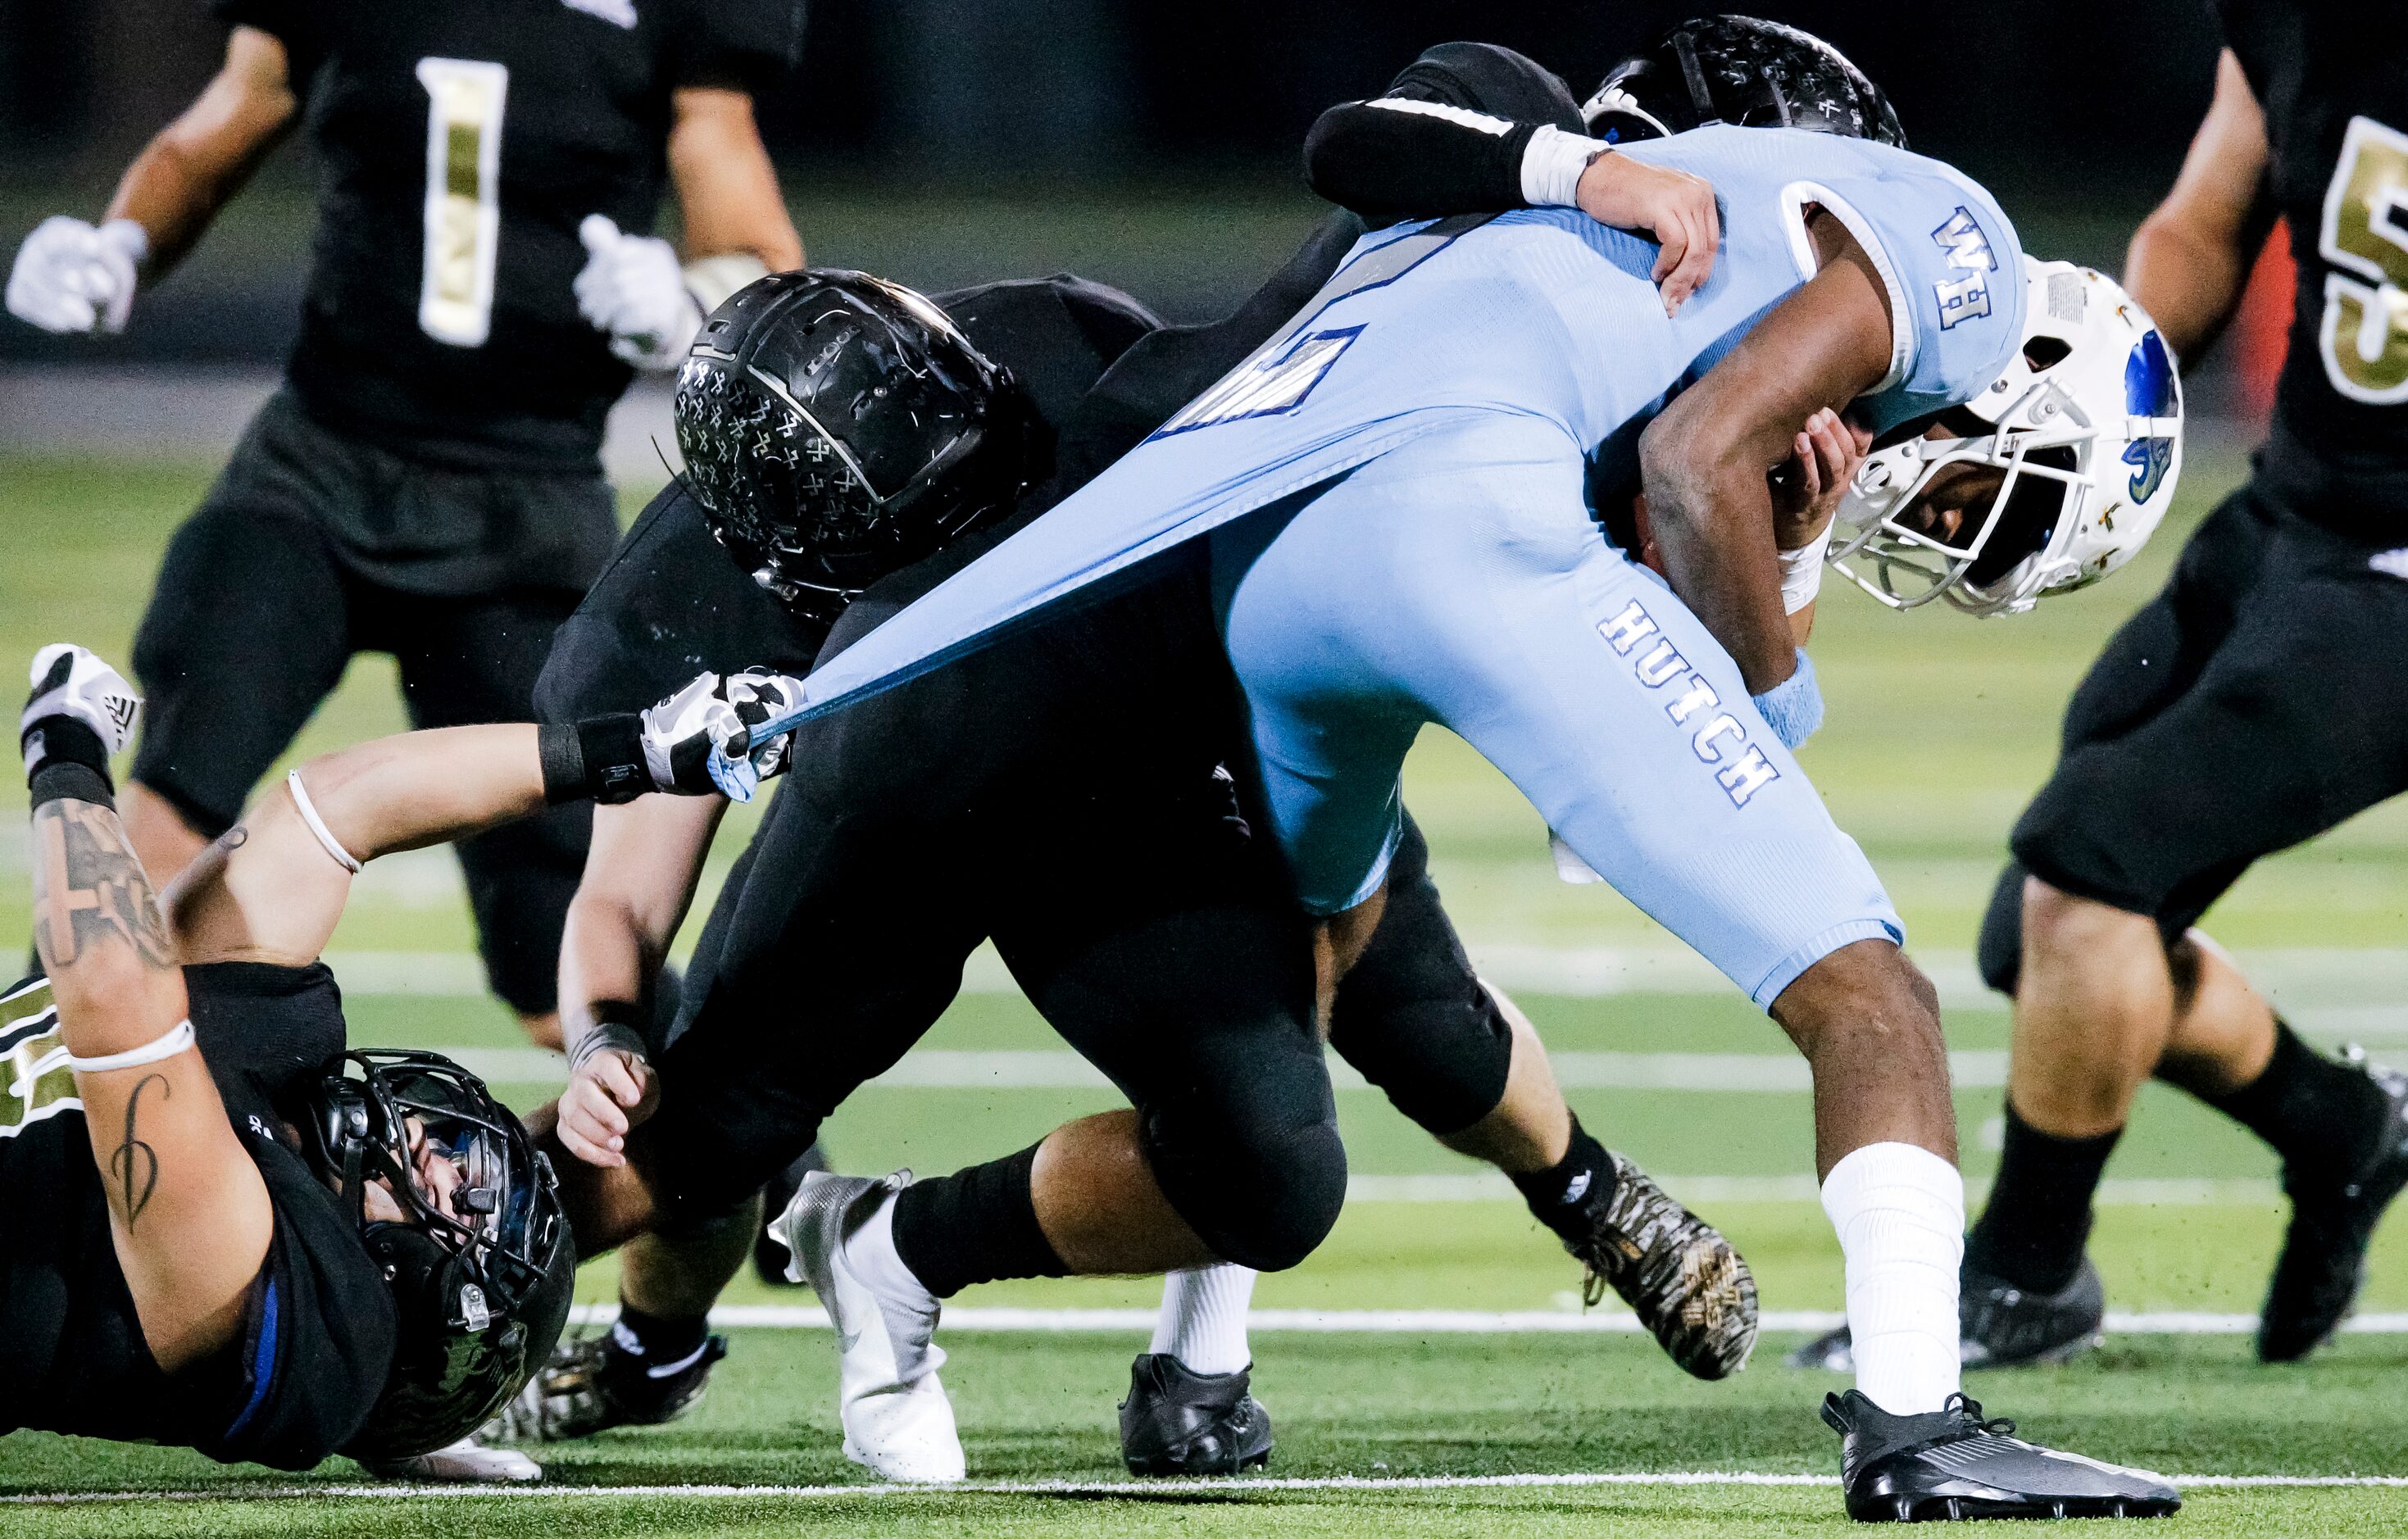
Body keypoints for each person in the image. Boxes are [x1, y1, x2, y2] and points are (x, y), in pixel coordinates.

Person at [706, 111, 2188, 1518]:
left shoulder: (1642, 213)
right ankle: (1916, 1423)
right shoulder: (1963, 256)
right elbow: (1689, 470)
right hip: (1460, 510)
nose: (1937, 521)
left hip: (1269, 553)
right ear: (2025, 369)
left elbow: (1657, 456)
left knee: (1318, 944)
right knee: (1869, 995)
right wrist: (1782, 647)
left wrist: (1777, 560)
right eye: (1976, 505)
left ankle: (1143, 1335)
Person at [511, 266, 1761, 1481]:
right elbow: (623, 891)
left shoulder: (1069, 355)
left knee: (1371, 1062)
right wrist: (602, 1038)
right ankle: (633, 1345)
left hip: (1147, 739)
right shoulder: (676, 609)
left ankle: (1581, 1185)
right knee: (689, 1125)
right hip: (902, 791)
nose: (969, 535)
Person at [2, 0, 806, 1053]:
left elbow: (756, 249)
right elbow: (224, 122)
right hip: (317, 465)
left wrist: (689, 294)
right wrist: (122, 243)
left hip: (527, 500)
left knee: (565, 964)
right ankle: (39, 1147)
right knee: (155, 835)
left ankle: (775, 1189)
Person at [1802, 2, 2408, 1376]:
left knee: (2093, 870)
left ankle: (2023, 1272)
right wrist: (2099, 377)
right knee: (2047, 934)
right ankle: (2339, 1129)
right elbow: (2207, 211)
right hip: (2292, 515)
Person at [3, 644, 576, 1473]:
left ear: (427, 1296)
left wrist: (64, 747)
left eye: (469, 1190)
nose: (433, 1143)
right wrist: (631, 750)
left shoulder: (277, 1286)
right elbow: (338, 807)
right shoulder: (280, 1070)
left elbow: (109, 985)